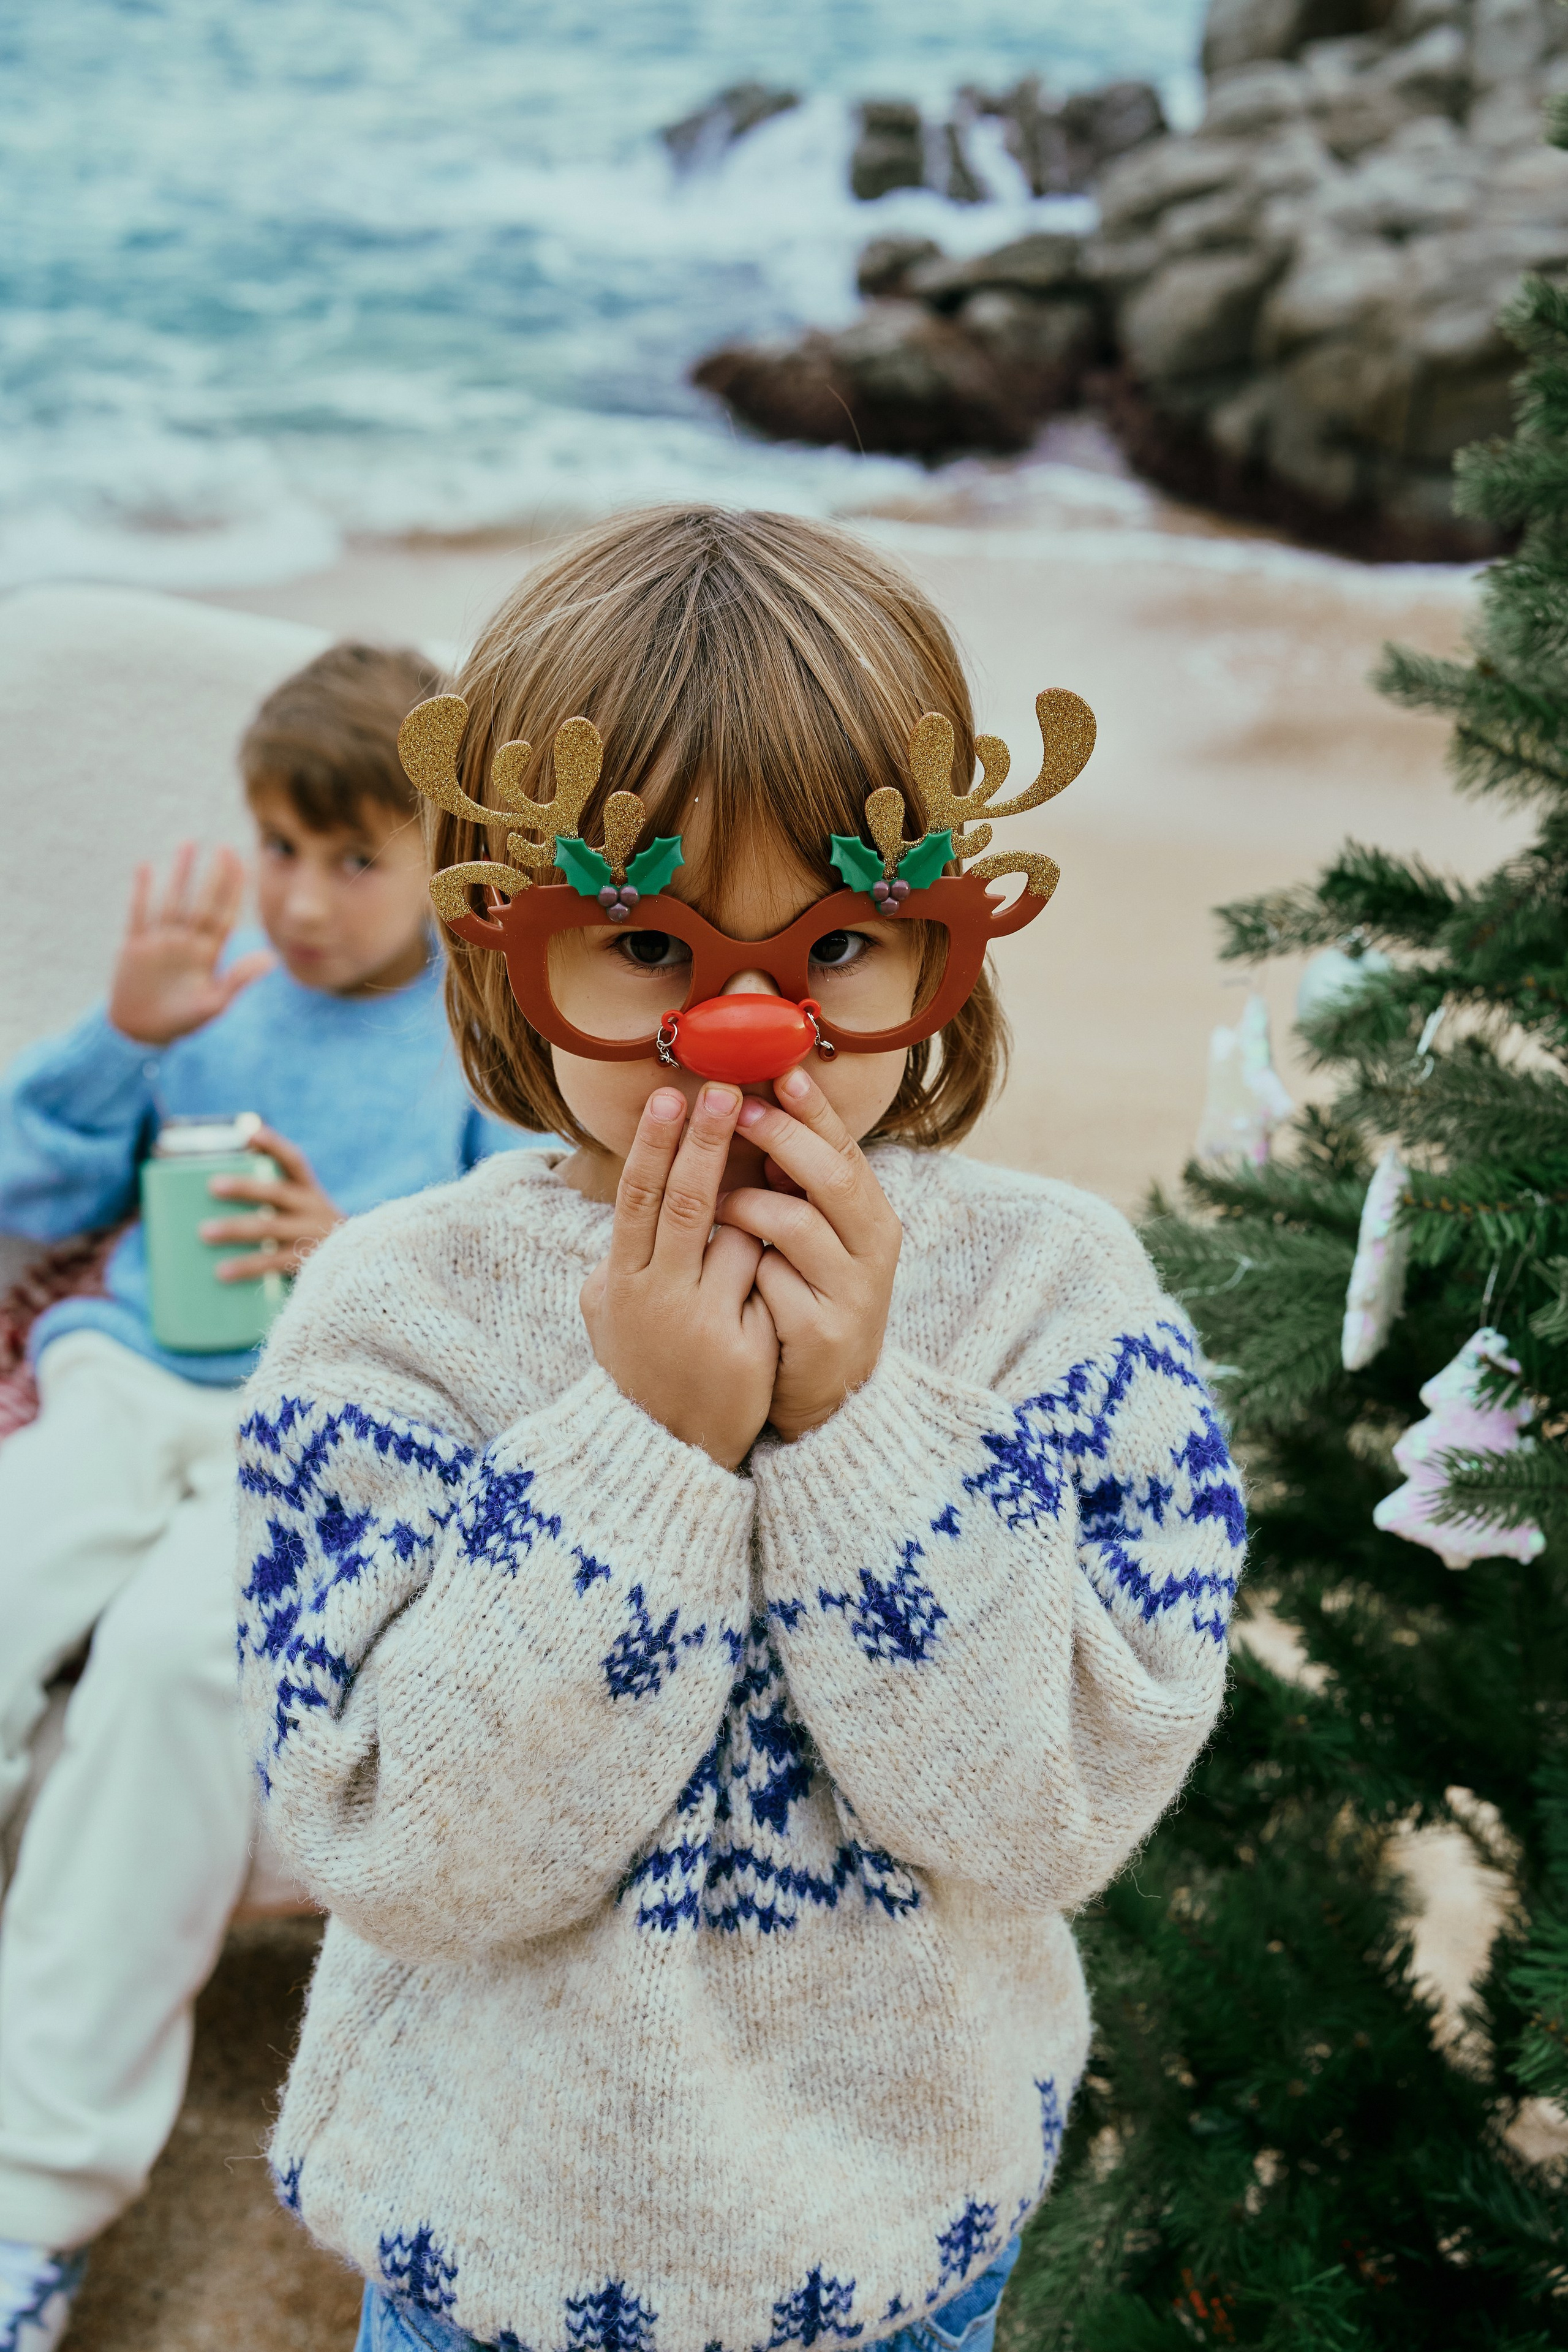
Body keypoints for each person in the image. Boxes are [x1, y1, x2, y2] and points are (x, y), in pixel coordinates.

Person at [235, 509, 1247, 2352]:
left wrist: (863, 1428)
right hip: (493, 2246)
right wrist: (643, 1451)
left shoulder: (1049, 1296)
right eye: (643, 945)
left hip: (903, 2248)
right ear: (497, 942)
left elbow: (1056, 1812)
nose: (749, 1033)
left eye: (846, 940)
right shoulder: (395, 1320)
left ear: (954, 932)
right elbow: (396, 1847)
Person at [0, 642, 535, 2352]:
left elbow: (518, 1285)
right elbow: (32, 1185)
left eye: (354, 859)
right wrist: (118, 1037)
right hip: (128, 1371)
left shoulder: (479, 1037)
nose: (303, 901)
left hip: (306, 1430)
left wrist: (352, 1257)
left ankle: (29, 2202)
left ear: (444, 861)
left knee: (170, 1662)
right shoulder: (212, 997)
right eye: (280, 849)